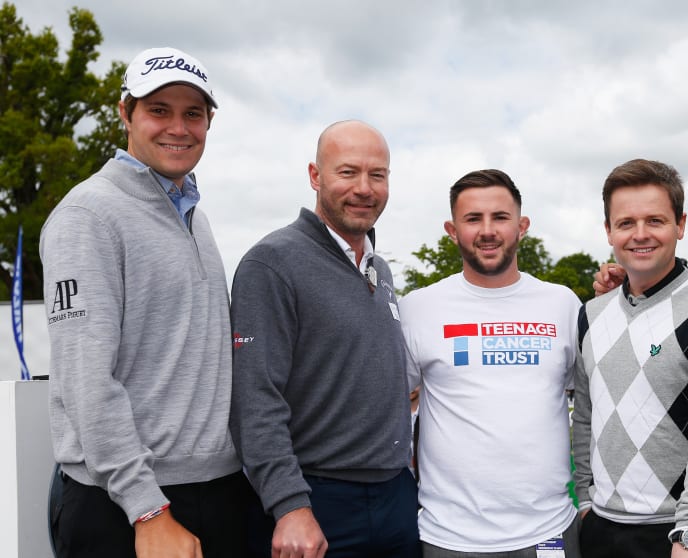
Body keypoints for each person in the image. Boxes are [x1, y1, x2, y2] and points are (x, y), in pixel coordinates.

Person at [40, 47, 246, 558]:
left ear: (209, 122)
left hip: (217, 489)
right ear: (125, 113)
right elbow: (87, 379)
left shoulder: (194, 213)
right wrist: (146, 507)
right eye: (159, 110)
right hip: (127, 504)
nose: (178, 127)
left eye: (192, 113)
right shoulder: (88, 215)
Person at [229, 120, 418, 558]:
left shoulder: (380, 270)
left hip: (394, 497)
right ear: (316, 176)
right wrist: (289, 505)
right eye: (348, 172)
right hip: (315, 501)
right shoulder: (271, 262)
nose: (364, 188)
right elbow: (255, 397)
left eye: (378, 175)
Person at [573, 159, 688, 558]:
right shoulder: (591, 314)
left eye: (655, 220)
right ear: (608, 231)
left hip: (684, 538)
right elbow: (585, 416)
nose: (640, 235)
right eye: (625, 223)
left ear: (680, 225)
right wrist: (586, 503)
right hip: (602, 530)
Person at [400, 169, 582, 557]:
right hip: (448, 536)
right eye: (472, 219)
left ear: (522, 226)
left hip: (548, 531)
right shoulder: (418, 308)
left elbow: (593, 402)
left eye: (500, 217)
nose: (487, 230)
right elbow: (388, 404)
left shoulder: (563, 303)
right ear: (452, 230)